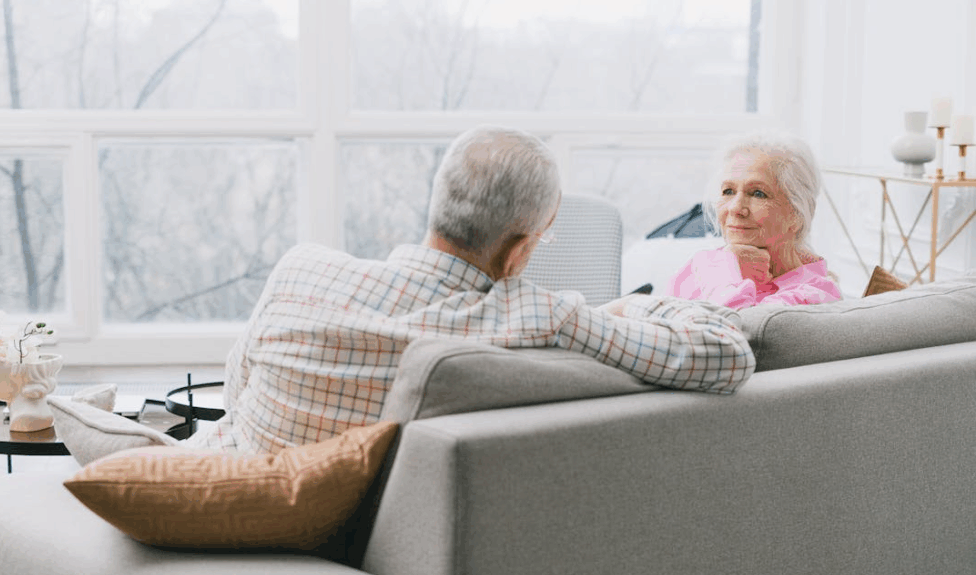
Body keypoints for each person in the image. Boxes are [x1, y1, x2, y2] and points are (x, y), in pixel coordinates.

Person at [191, 125, 755, 455]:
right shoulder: (531, 315)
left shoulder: (300, 269)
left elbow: (235, 406)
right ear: (518, 250)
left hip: (215, 486)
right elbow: (727, 355)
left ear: (437, 201)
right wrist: (640, 304)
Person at [667, 131, 842, 309]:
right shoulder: (701, 266)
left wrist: (720, 266)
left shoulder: (815, 296)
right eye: (728, 191)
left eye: (758, 193)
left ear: (797, 215)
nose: (735, 208)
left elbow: (736, 325)